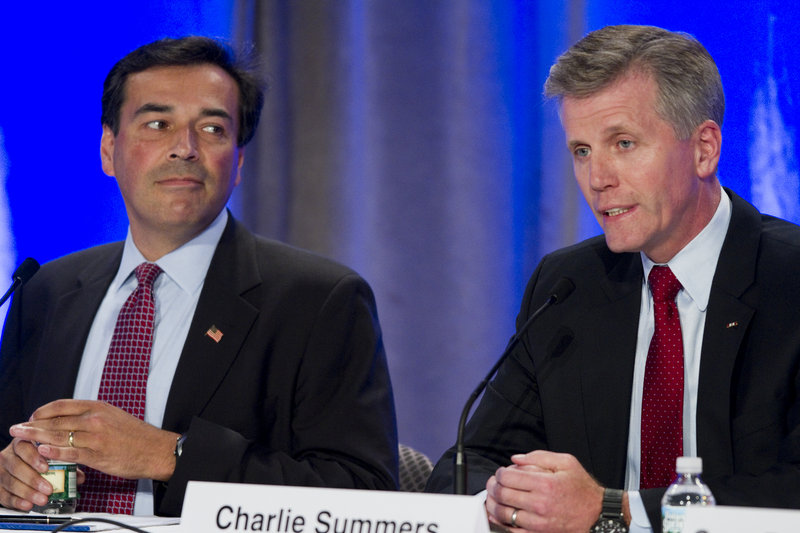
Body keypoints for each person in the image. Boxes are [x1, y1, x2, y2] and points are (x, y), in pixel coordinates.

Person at [0, 36, 398, 516]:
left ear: (238, 161)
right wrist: (8, 475)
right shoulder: (47, 290)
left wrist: (170, 455)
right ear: (109, 150)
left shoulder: (319, 301)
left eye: (212, 128)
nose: (184, 149)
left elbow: (362, 494)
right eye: (158, 123)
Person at [426, 24, 800, 532]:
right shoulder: (567, 286)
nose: (597, 178)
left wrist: (615, 512)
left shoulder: (788, 279)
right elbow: (471, 464)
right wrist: (511, 498)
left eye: (623, 143)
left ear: (704, 149)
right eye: (581, 150)